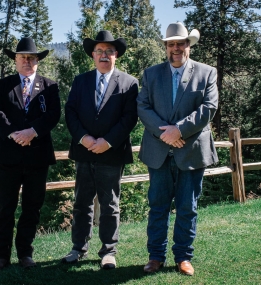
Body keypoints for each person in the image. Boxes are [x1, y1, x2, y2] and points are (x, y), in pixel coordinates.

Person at [137, 22, 219, 276]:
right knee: (158, 206)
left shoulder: (207, 73)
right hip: (158, 151)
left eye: (180, 43)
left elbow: (209, 107)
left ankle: (183, 257)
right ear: (165, 47)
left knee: (187, 207)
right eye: (171, 43)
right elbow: (142, 106)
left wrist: (179, 130)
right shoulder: (151, 74)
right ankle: (155, 256)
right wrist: (167, 133)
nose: (176, 48)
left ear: (188, 45)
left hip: (191, 151)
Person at [63, 30, 139, 269]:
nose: (104, 55)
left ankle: (108, 251)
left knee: (110, 205)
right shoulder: (80, 81)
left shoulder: (129, 83)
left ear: (116, 55)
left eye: (109, 51)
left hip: (112, 152)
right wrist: (84, 138)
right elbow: (70, 112)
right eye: (99, 51)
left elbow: (129, 118)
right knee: (81, 203)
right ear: (93, 55)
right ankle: (78, 248)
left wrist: (107, 141)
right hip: (84, 152)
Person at [0, 37, 61, 270]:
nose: (27, 61)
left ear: (37, 61)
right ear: (15, 60)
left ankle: (25, 254)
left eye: (31, 58)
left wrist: (32, 132)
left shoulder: (50, 86)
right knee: (5, 207)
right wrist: (13, 133)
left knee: (32, 207)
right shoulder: (3, 85)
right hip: (9, 155)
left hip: (37, 156)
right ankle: (1, 255)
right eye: (23, 57)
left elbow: (53, 115)